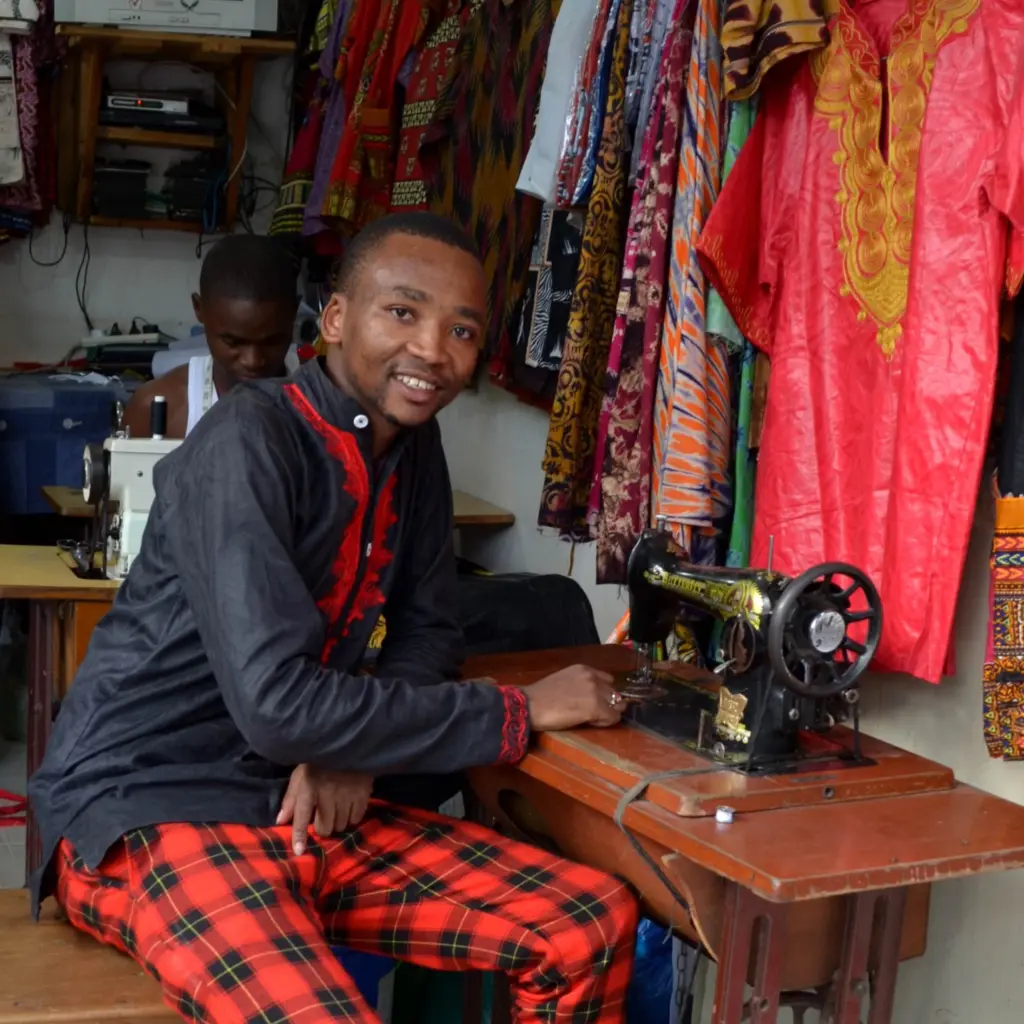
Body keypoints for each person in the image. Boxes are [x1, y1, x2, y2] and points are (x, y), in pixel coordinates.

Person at [29, 211, 638, 1024]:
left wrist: (352, 752)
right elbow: (278, 705)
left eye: (462, 329)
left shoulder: (413, 450)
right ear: (337, 320)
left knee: (584, 925)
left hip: (295, 795)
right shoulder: (250, 439)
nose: (432, 348)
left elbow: (429, 633)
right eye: (404, 312)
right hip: (151, 802)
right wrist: (518, 710)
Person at [124, 234, 300, 439]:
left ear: (295, 312)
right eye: (233, 342)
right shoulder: (157, 409)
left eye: (271, 342)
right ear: (199, 309)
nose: (252, 361)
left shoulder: (326, 402)